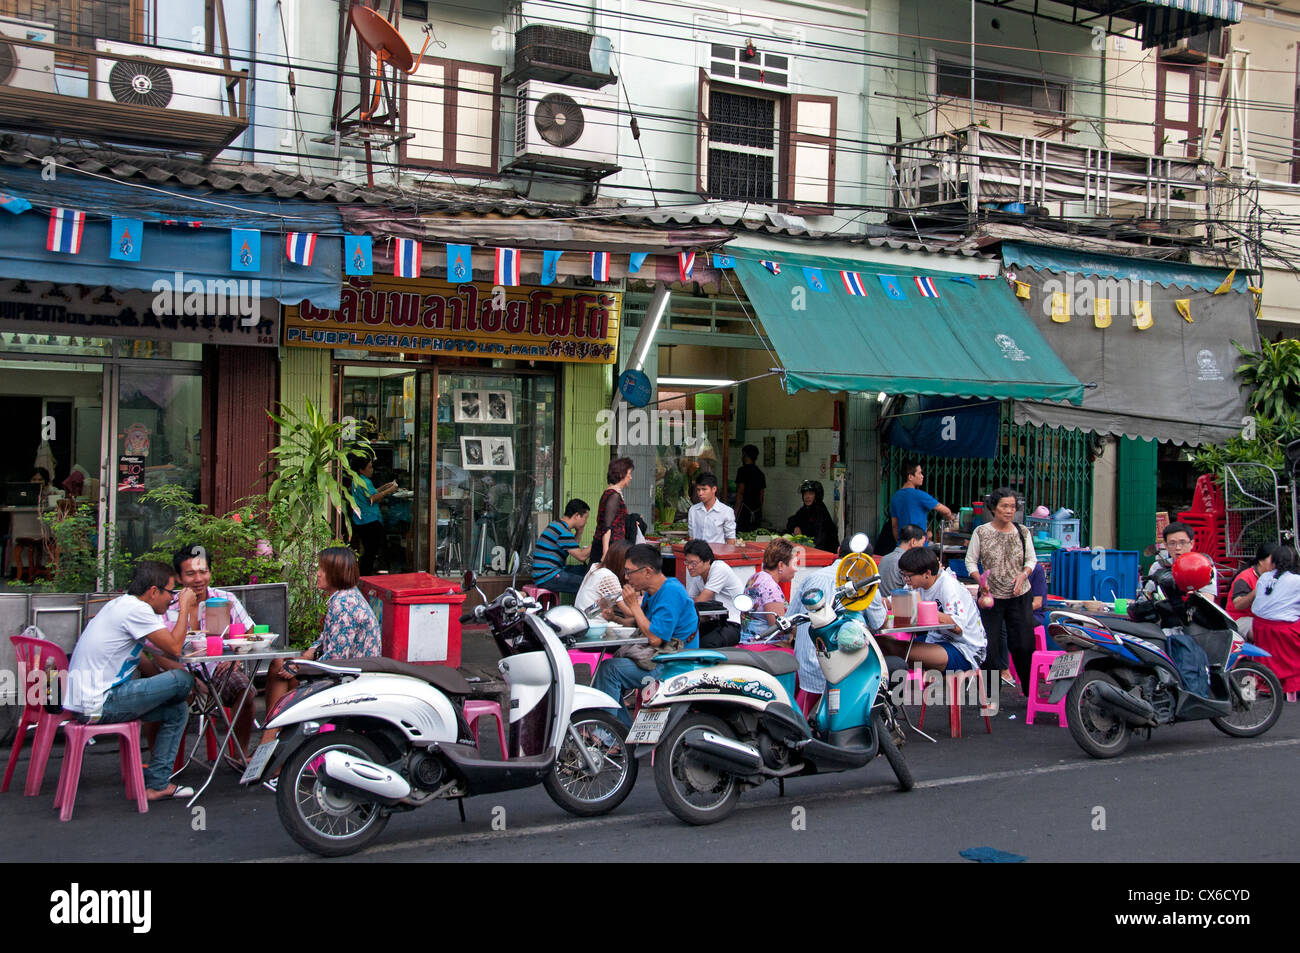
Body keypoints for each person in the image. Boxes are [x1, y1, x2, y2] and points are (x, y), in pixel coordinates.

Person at [62, 560, 196, 801]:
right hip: (99, 703)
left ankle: (158, 785)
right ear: (154, 591)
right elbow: (175, 648)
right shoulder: (138, 610)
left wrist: (164, 688)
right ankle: (158, 781)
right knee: (185, 679)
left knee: (177, 710)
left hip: (85, 703)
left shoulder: (119, 605)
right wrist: (186, 607)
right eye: (171, 592)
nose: (173, 599)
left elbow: (143, 658)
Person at [261, 547, 383, 748]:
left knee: (279, 670)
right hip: (351, 674)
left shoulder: (343, 604)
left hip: (350, 680)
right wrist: (308, 654)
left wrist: (301, 666)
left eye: (323, 569)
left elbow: (336, 659)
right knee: (281, 667)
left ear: (336, 572)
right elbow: (327, 638)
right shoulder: (346, 597)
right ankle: (272, 750)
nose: (317, 573)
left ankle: (269, 751)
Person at [146, 544, 257, 753]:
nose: (198, 579)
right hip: (177, 670)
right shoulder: (166, 605)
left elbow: (250, 632)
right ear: (179, 578)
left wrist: (235, 658)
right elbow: (156, 653)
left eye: (203, 572)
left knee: (246, 690)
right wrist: (190, 679)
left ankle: (240, 753)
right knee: (163, 696)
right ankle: (158, 760)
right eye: (190, 574)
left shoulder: (225, 600)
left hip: (217, 668)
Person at [592, 544, 699, 725]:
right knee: (608, 669)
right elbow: (639, 623)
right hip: (658, 657)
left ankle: (612, 734)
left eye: (629, 572)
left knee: (609, 671)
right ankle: (620, 733)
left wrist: (633, 605)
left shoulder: (671, 592)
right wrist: (614, 618)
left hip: (673, 664)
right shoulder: (653, 592)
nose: (626, 577)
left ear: (647, 571)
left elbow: (656, 638)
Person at [791, 535, 888, 715]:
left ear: (837, 552)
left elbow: (792, 620)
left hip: (806, 666)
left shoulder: (812, 578)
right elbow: (879, 623)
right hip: (844, 668)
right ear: (868, 560)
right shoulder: (867, 584)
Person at [966, 488, 1037, 690]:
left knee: (1023, 644)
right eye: (1004, 506)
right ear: (993, 508)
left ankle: (1029, 689)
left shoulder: (1023, 532)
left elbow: (1031, 559)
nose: (1009, 510)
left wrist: (1023, 575)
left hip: (1019, 594)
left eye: (1013, 507)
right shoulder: (981, 532)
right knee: (990, 645)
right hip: (990, 595)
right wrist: (980, 580)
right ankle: (990, 692)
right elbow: (971, 561)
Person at [878, 546, 987, 673]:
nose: (906, 580)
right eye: (904, 575)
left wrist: (923, 607)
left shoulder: (948, 586)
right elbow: (890, 601)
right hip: (936, 639)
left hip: (965, 649)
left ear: (927, 574)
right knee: (881, 643)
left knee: (898, 650)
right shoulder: (914, 585)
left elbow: (957, 627)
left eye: (909, 576)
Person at [1235, 545, 1300, 701]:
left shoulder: (1264, 577)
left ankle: (1256, 685)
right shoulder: (1297, 580)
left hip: (1260, 627)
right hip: (1284, 630)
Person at [682, 539, 744, 647]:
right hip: (713, 622)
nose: (689, 567)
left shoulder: (719, 568)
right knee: (683, 636)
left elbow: (700, 601)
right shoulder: (698, 577)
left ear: (707, 561)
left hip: (731, 624)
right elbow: (689, 603)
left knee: (707, 643)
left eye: (694, 563)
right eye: (687, 562)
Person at [740, 538, 797, 642]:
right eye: (794, 564)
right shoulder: (771, 588)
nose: (796, 569)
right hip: (765, 648)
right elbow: (779, 629)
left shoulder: (755, 578)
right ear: (781, 565)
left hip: (746, 641)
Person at [350, 457, 398, 577]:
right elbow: (372, 499)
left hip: (361, 521)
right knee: (372, 552)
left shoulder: (358, 480)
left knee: (368, 551)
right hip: (370, 521)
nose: (372, 470)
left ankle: (365, 574)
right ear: (361, 470)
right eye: (369, 467)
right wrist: (389, 490)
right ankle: (367, 575)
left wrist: (384, 487)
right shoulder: (365, 481)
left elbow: (370, 493)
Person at [533, 499, 592, 594]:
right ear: (577, 515)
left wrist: (580, 531)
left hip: (546, 573)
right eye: (585, 518)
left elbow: (573, 548)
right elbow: (581, 556)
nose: (586, 522)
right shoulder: (563, 531)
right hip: (548, 576)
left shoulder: (557, 525)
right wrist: (598, 539)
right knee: (589, 584)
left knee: (588, 571)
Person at [1144, 522, 1218, 599]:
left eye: (1183, 542)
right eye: (1172, 543)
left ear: (1191, 544)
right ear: (1166, 545)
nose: (1178, 548)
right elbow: (1147, 595)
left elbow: (1208, 599)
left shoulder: (1204, 565)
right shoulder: (1158, 566)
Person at [889, 460, 953, 542]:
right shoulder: (920, 495)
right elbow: (946, 511)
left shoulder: (895, 497)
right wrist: (950, 518)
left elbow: (894, 526)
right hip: (918, 546)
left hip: (902, 546)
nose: (922, 476)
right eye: (919, 473)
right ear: (910, 477)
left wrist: (900, 543)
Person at [1228, 543, 1277, 639]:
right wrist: (1255, 592)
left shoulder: (1274, 577)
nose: (1276, 563)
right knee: (1263, 631)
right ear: (1261, 561)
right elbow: (1238, 605)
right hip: (1239, 619)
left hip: (1262, 618)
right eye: (1273, 560)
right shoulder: (1245, 577)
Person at [591, 457, 634, 564]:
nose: (631, 477)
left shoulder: (611, 493)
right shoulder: (613, 495)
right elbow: (607, 526)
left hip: (612, 545)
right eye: (629, 474)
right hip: (611, 546)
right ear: (621, 475)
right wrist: (606, 552)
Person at [575, 539, 631, 617]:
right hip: (593, 623)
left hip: (582, 618)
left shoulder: (596, 567)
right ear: (622, 561)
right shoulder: (608, 577)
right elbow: (628, 612)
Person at [786, 480, 839, 553]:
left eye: (810, 494)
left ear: (817, 495)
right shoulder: (804, 509)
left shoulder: (820, 512)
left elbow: (820, 540)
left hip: (823, 553)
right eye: (805, 494)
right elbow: (792, 520)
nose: (807, 497)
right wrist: (795, 527)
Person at [687, 471, 737, 545]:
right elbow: (691, 536)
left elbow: (731, 539)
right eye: (698, 490)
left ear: (714, 489)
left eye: (704, 489)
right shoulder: (693, 510)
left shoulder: (726, 511)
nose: (700, 493)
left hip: (717, 555)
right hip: (697, 554)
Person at [877, 523, 926, 596]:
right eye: (922, 544)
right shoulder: (909, 562)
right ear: (913, 542)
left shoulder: (884, 558)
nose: (922, 547)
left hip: (883, 603)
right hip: (899, 603)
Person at [734, 444, 766, 532]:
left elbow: (740, 492)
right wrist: (759, 512)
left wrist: (735, 513)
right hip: (756, 511)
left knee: (741, 537)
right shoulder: (760, 474)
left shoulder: (742, 471)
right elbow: (761, 496)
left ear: (745, 455)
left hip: (744, 511)